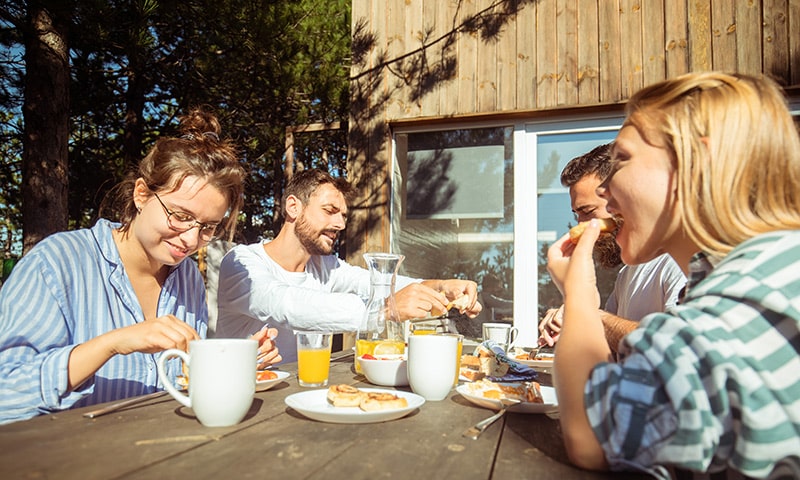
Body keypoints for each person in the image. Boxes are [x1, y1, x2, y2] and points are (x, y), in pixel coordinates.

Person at [547, 72, 800, 480]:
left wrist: (579, 291)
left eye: (621, 159)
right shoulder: (728, 281)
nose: (604, 194)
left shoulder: (758, 296)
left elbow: (593, 436)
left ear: (694, 162)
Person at [0, 108, 279, 425]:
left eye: (207, 227)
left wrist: (234, 364)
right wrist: (112, 343)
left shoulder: (187, 276)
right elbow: (6, 392)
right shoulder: (57, 262)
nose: (190, 239)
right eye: (181, 215)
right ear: (142, 194)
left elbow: (181, 381)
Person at [215, 168, 482, 363]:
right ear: (293, 207)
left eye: (343, 216)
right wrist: (383, 310)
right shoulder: (242, 263)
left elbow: (377, 283)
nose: (341, 225)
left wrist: (440, 287)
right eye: (329, 211)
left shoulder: (324, 266)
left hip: (303, 398)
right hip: (243, 402)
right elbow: (286, 304)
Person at [538, 144, 685, 353]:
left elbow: (674, 346)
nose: (580, 224)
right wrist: (569, 323)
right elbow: (605, 348)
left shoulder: (678, 263)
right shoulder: (628, 273)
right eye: (576, 215)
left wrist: (585, 312)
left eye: (587, 211)